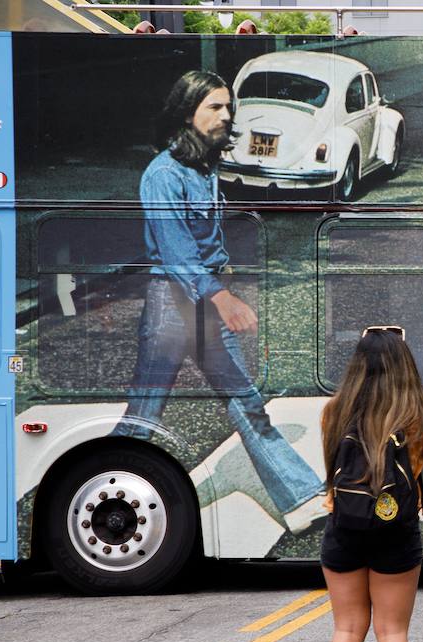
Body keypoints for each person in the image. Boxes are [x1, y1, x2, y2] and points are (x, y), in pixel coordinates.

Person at [113, 71, 325, 534]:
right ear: (186, 110)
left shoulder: (203, 166)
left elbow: (205, 242)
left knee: (246, 402)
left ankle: (303, 497)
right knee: (146, 411)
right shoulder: (163, 175)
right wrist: (224, 296)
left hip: (204, 302)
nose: (226, 115)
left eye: (229, 107)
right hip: (173, 306)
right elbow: (176, 251)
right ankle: (109, 484)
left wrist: (221, 279)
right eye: (214, 106)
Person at [319, 325, 423, 642]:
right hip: (395, 531)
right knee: (392, 630)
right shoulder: (420, 418)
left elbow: (331, 472)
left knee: (347, 628)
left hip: (344, 527)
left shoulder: (334, 411)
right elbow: (420, 470)